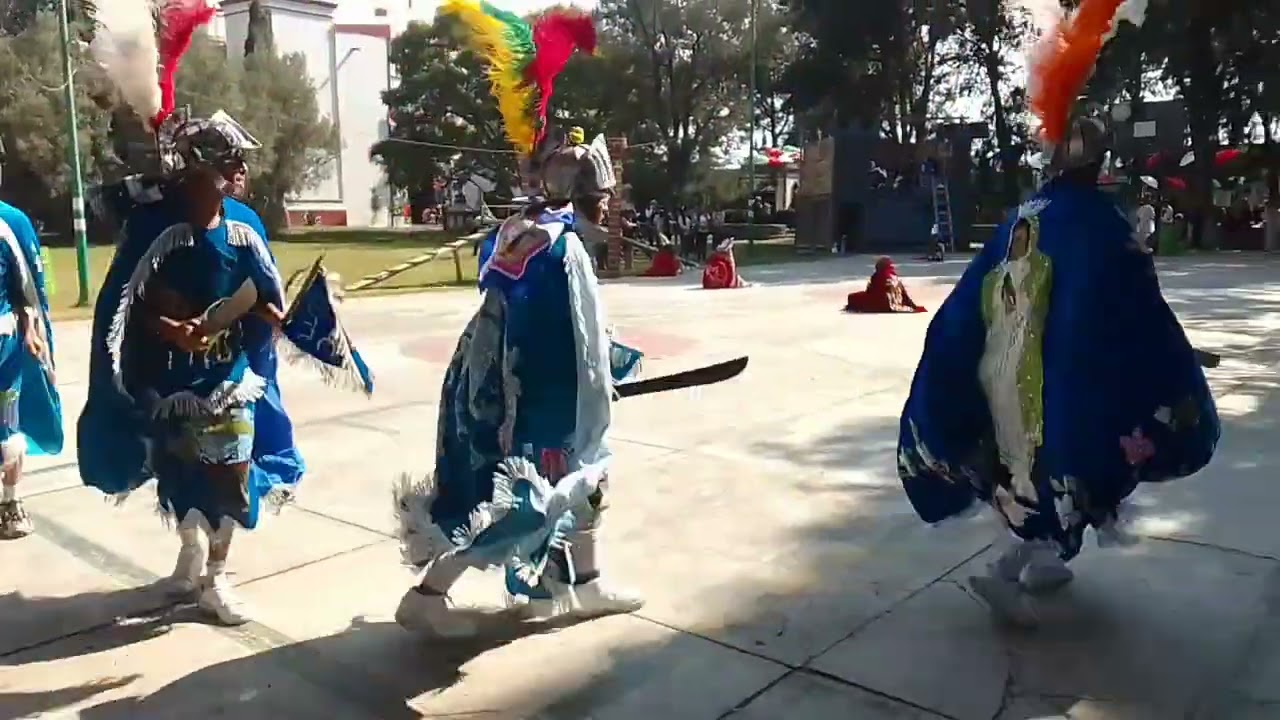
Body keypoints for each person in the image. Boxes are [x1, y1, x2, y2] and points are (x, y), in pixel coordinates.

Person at [897, 0, 1218, 629]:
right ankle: (1012, 567)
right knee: (1066, 460)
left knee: (1026, 467)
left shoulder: (1023, 216)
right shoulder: (1102, 224)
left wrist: (955, 361)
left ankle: (1040, 561)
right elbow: (1130, 300)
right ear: (1097, 164)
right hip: (1065, 375)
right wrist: (1169, 353)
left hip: (1005, 373)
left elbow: (970, 298)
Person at [393, 0, 643, 637]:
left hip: (500, 388)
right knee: (518, 505)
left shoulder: (523, 231)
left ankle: (582, 585)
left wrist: (609, 360)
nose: (611, 206)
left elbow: (556, 328)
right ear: (587, 195)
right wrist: (596, 384)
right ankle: (428, 597)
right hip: (533, 403)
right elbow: (562, 342)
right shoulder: (557, 247)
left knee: (583, 485)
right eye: (606, 196)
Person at [76, 113, 364, 625]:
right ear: (192, 169)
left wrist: (295, 318)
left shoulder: (245, 225)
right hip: (166, 383)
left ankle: (216, 577)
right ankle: (190, 559)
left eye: (238, 161)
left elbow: (262, 298)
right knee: (179, 475)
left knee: (231, 473)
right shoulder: (152, 228)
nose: (239, 169)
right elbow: (126, 302)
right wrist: (171, 327)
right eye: (228, 161)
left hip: (230, 380)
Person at [0, 200, 63, 539]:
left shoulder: (10, 221)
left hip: (4, 349)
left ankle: (11, 501)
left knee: (8, 428)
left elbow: (27, 289)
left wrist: (31, 329)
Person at [845, 257, 926, 313]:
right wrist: (914, 307)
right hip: (895, 304)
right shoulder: (895, 278)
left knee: (852, 297)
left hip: (879, 303)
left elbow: (871, 291)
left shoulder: (878, 275)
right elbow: (905, 297)